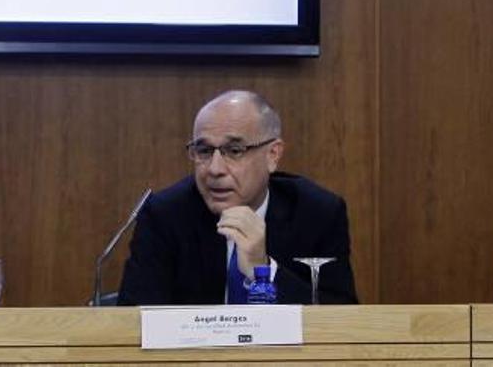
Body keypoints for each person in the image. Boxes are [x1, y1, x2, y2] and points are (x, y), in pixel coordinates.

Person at [116, 90, 358, 305]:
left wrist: (263, 269)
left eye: (234, 151)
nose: (215, 169)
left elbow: (340, 317)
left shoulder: (317, 212)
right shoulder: (165, 215)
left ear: (273, 155)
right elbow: (135, 318)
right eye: (204, 151)